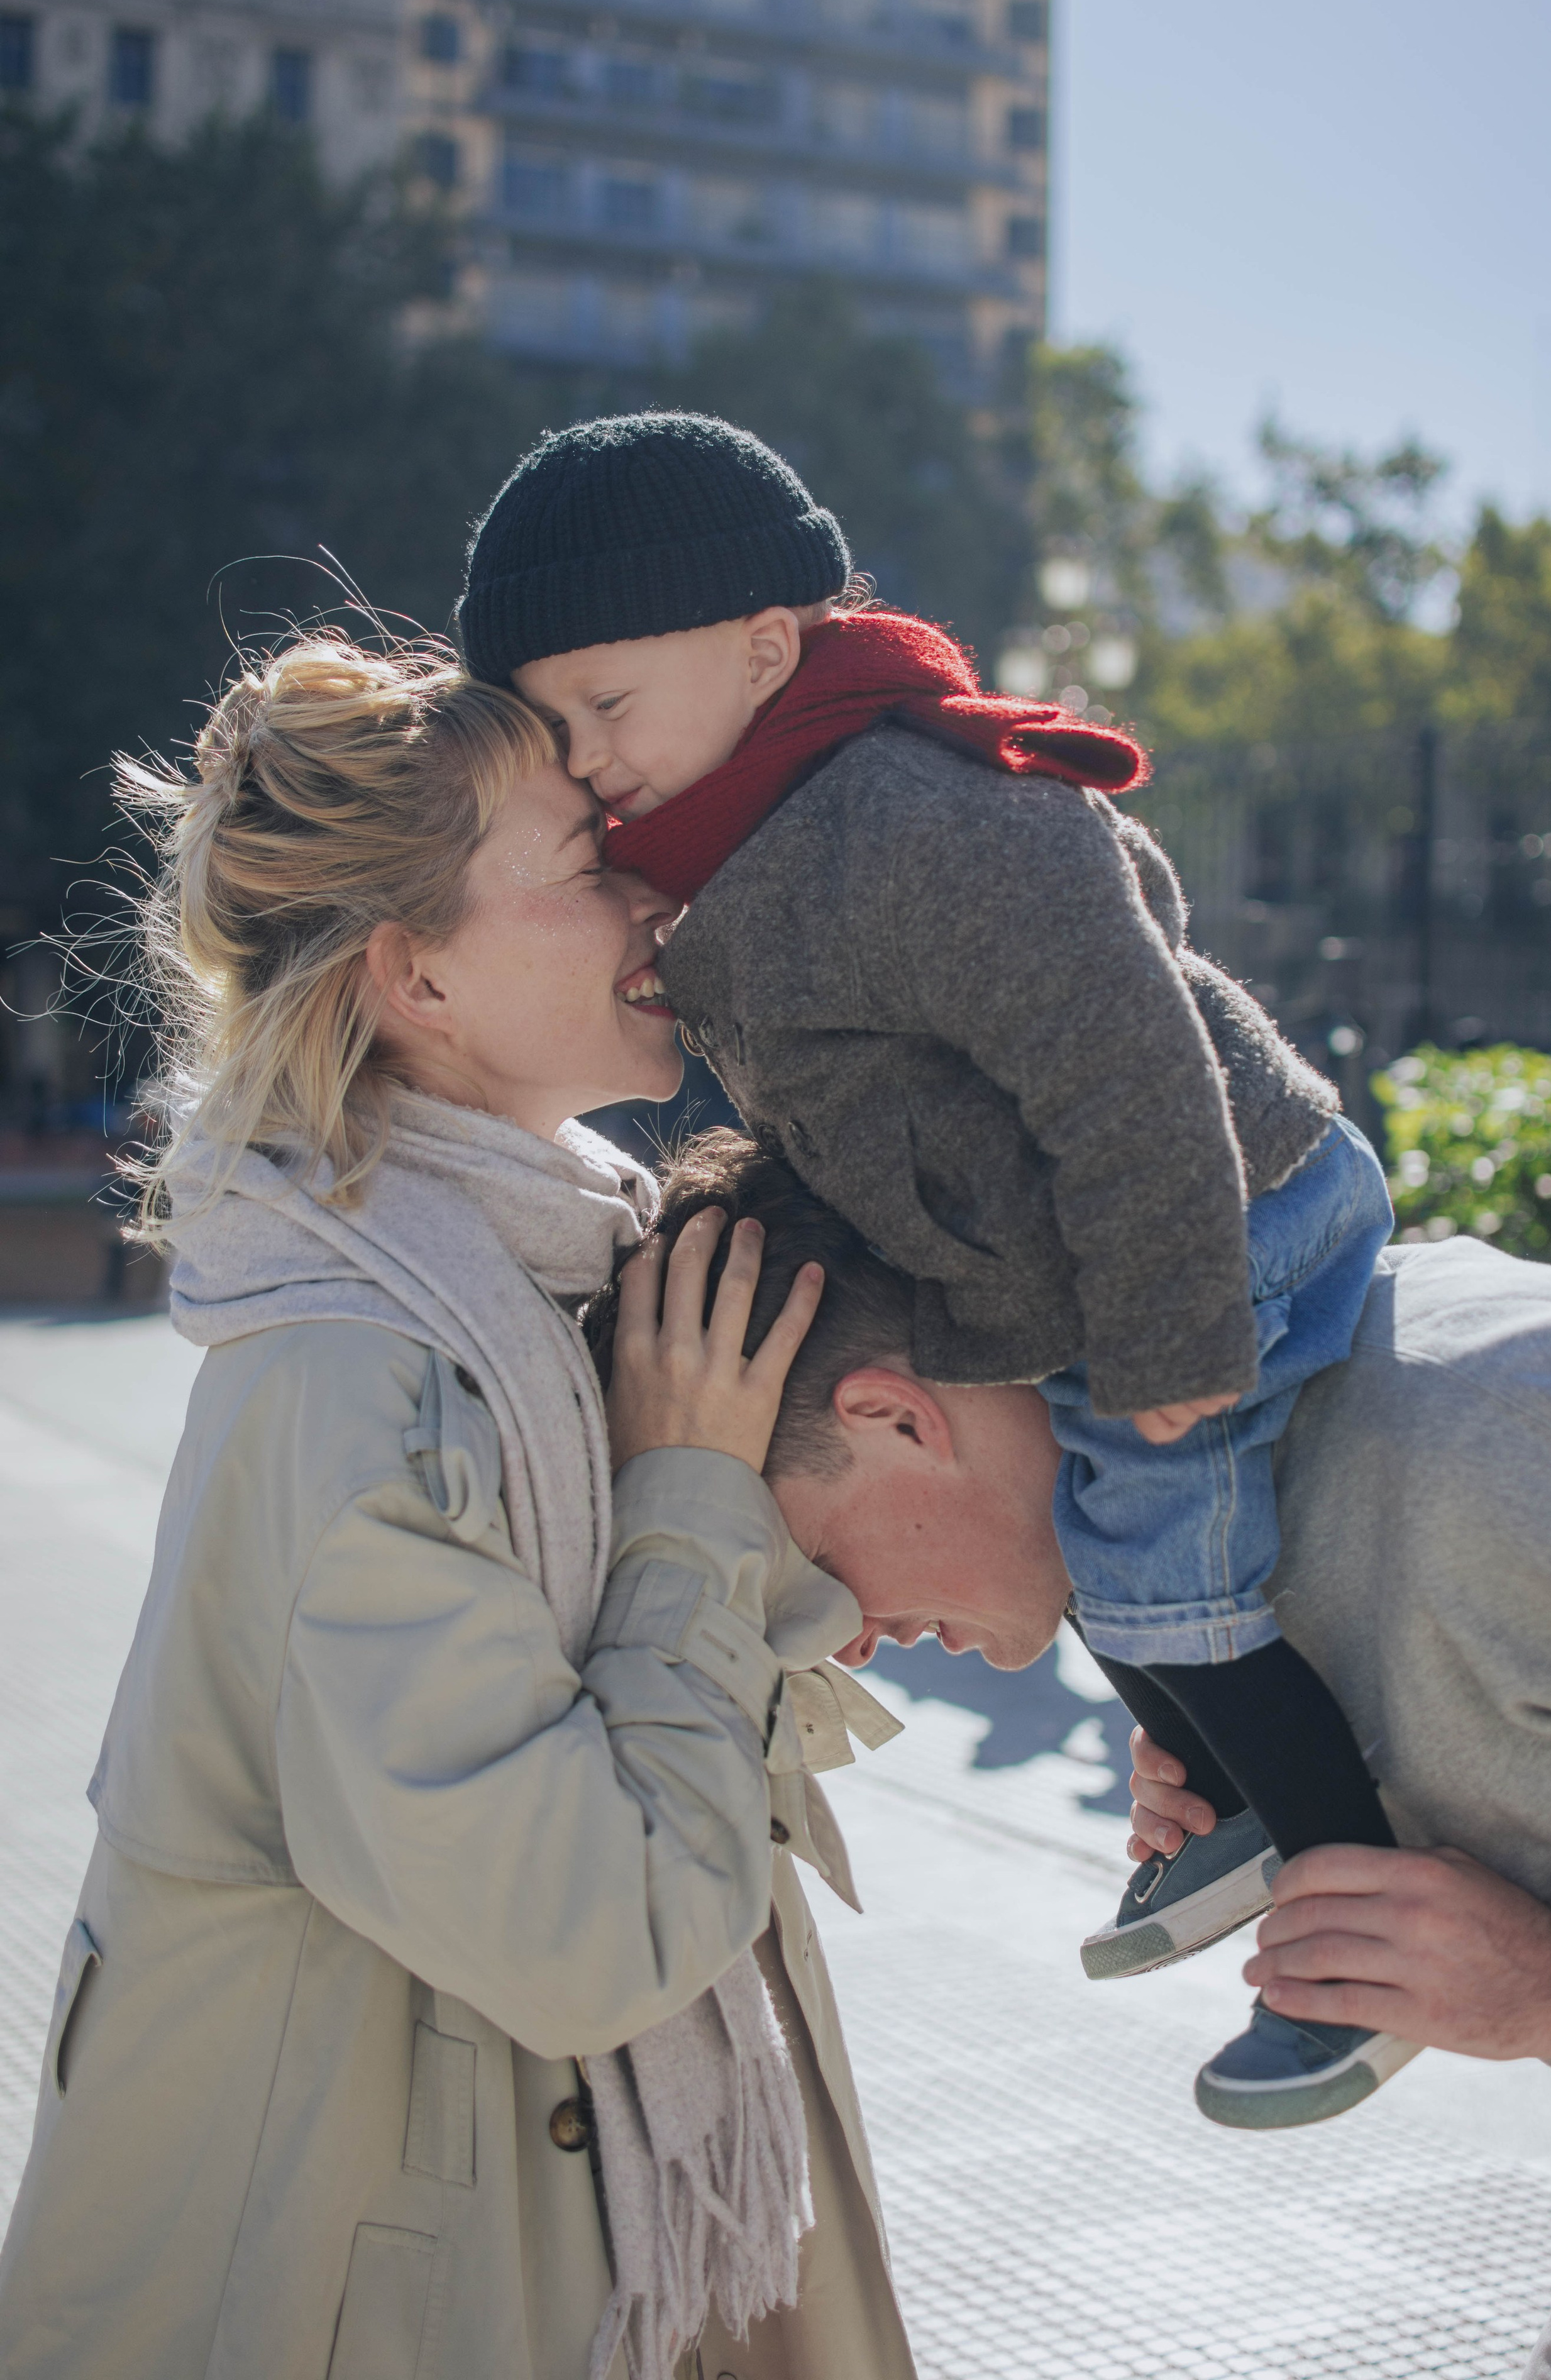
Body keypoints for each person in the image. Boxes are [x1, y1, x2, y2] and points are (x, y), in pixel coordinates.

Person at [459, 409, 1402, 2124]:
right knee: (1134, 1570)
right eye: (553, 726)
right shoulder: (754, 848)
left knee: (1149, 1554)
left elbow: (1125, 1050)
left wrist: (1170, 1317)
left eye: (606, 706)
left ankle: (1361, 1930)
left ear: (761, 649)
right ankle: (1230, 1793)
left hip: (1228, 1219)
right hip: (1115, 1247)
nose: (584, 756)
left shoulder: (906, 814)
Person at [0, 637, 919, 2380]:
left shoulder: (551, 1286)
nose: (650, 888)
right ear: (415, 979)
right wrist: (691, 1504)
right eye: (583, 868)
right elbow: (595, 1937)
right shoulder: (358, 1389)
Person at [599, 1129, 1551, 2374]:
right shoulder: (1213, 1572)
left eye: (800, 1572)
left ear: (893, 1419)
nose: (841, 1646)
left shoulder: (1494, 1439)